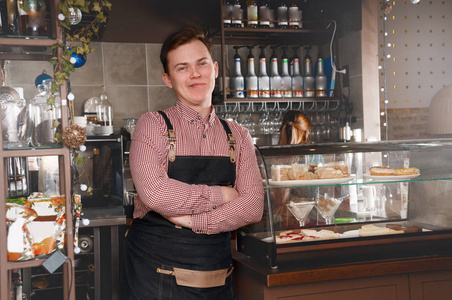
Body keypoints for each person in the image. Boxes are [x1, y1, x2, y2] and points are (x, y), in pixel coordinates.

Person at [120, 27, 264, 299]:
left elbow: (253, 207)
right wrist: (222, 194)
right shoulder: (153, 125)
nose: (195, 74)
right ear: (168, 79)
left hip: (216, 272)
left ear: (216, 69)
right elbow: (155, 193)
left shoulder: (239, 135)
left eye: (202, 63)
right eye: (182, 68)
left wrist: (194, 222)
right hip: (153, 273)